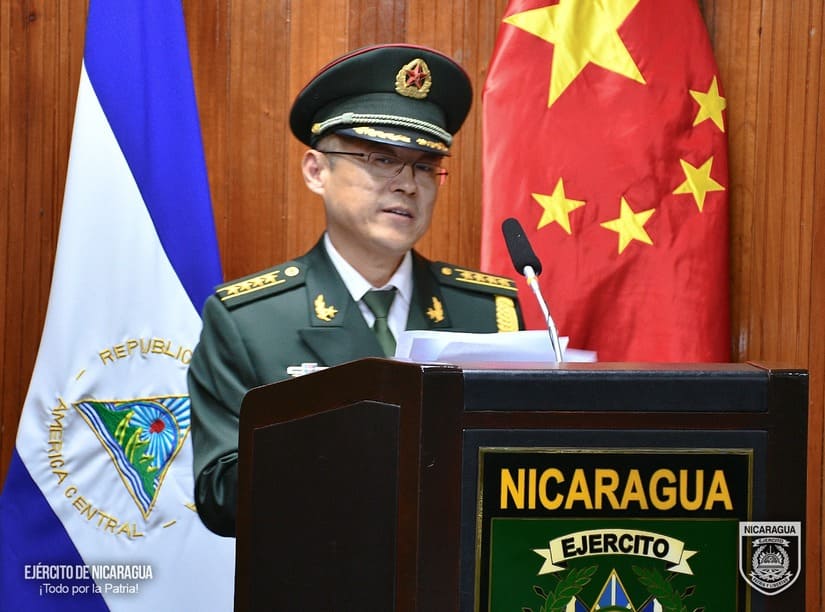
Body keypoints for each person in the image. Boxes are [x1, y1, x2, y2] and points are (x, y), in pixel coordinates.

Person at [188, 43, 524, 537]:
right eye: (381, 159)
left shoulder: (487, 312)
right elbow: (220, 499)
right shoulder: (251, 320)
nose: (407, 185)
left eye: (425, 166)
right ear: (316, 171)